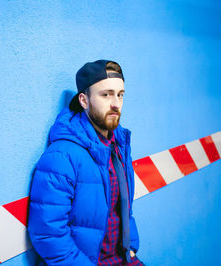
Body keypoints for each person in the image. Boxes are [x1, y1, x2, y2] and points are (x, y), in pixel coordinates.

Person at [28, 60, 144, 265]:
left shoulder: (119, 146)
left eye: (120, 94)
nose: (115, 103)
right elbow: (48, 234)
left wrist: (131, 248)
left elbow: (124, 207)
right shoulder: (62, 156)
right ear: (84, 100)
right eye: (106, 94)